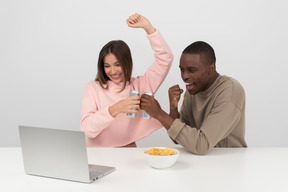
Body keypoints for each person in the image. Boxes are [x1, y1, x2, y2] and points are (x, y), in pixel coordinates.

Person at [80, 13, 173, 147]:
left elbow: (165, 59)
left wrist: (148, 28)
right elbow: (86, 128)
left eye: (117, 64)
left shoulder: (140, 85)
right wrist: (114, 109)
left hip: (128, 151)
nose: (112, 71)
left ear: (126, 63)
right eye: (107, 66)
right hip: (98, 154)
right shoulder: (93, 88)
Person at [140, 41, 247, 155]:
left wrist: (159, 114)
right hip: (201, 162)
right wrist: (173, 107)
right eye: (182, 69)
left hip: (229, 162)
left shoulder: (230, 92)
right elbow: (178, 138)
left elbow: (201, 145)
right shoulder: (194, 90)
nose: (184, 76)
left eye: (191, 70)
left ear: (211, 68)